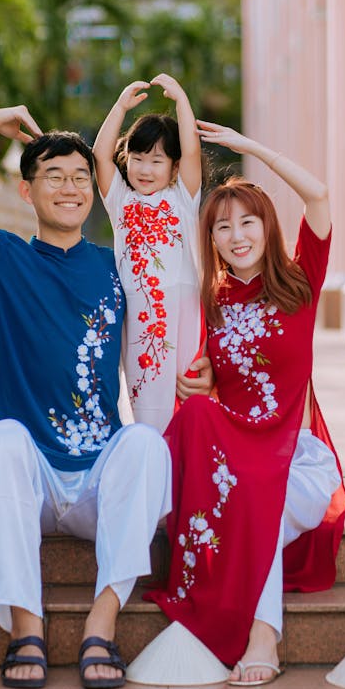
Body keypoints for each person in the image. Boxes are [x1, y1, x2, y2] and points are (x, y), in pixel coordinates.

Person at [0, 106, 207, 689]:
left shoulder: (115, 265)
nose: (70, 186)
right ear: (26, 190)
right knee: (1, 439)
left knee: (147, 445)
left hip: (96, 479)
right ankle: (28, 627)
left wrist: (208, 370)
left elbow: (175, 306)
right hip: (29, 480)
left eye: (80, 176)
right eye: (54, 175)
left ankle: (101, 626)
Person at [144, 121, 345, 686]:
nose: (236, 235)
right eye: (222, 227)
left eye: (247, 221)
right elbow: (200, 381)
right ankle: (260, 636)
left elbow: (320, 196)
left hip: (293, 463)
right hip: (235, 464)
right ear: (209, 240)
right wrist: (195, 386)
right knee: (202, 417)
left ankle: (262, 635)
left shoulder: (301, 280)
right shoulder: (209, 301)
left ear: (266, 226)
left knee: (259, 498)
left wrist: (250, 150)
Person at [92, 74, 204, 432]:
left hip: (185, 309)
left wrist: (182, 100)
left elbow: (192, 150)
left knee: (190, 397)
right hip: (141, 317)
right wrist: (121, 107)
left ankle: (189, 472)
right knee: (148, 411)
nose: (144, 169)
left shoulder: (182, 199)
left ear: (173, 169)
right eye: (138, 158)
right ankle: (150, 468)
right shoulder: (121, 201)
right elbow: (99, 155)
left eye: (157, 161)